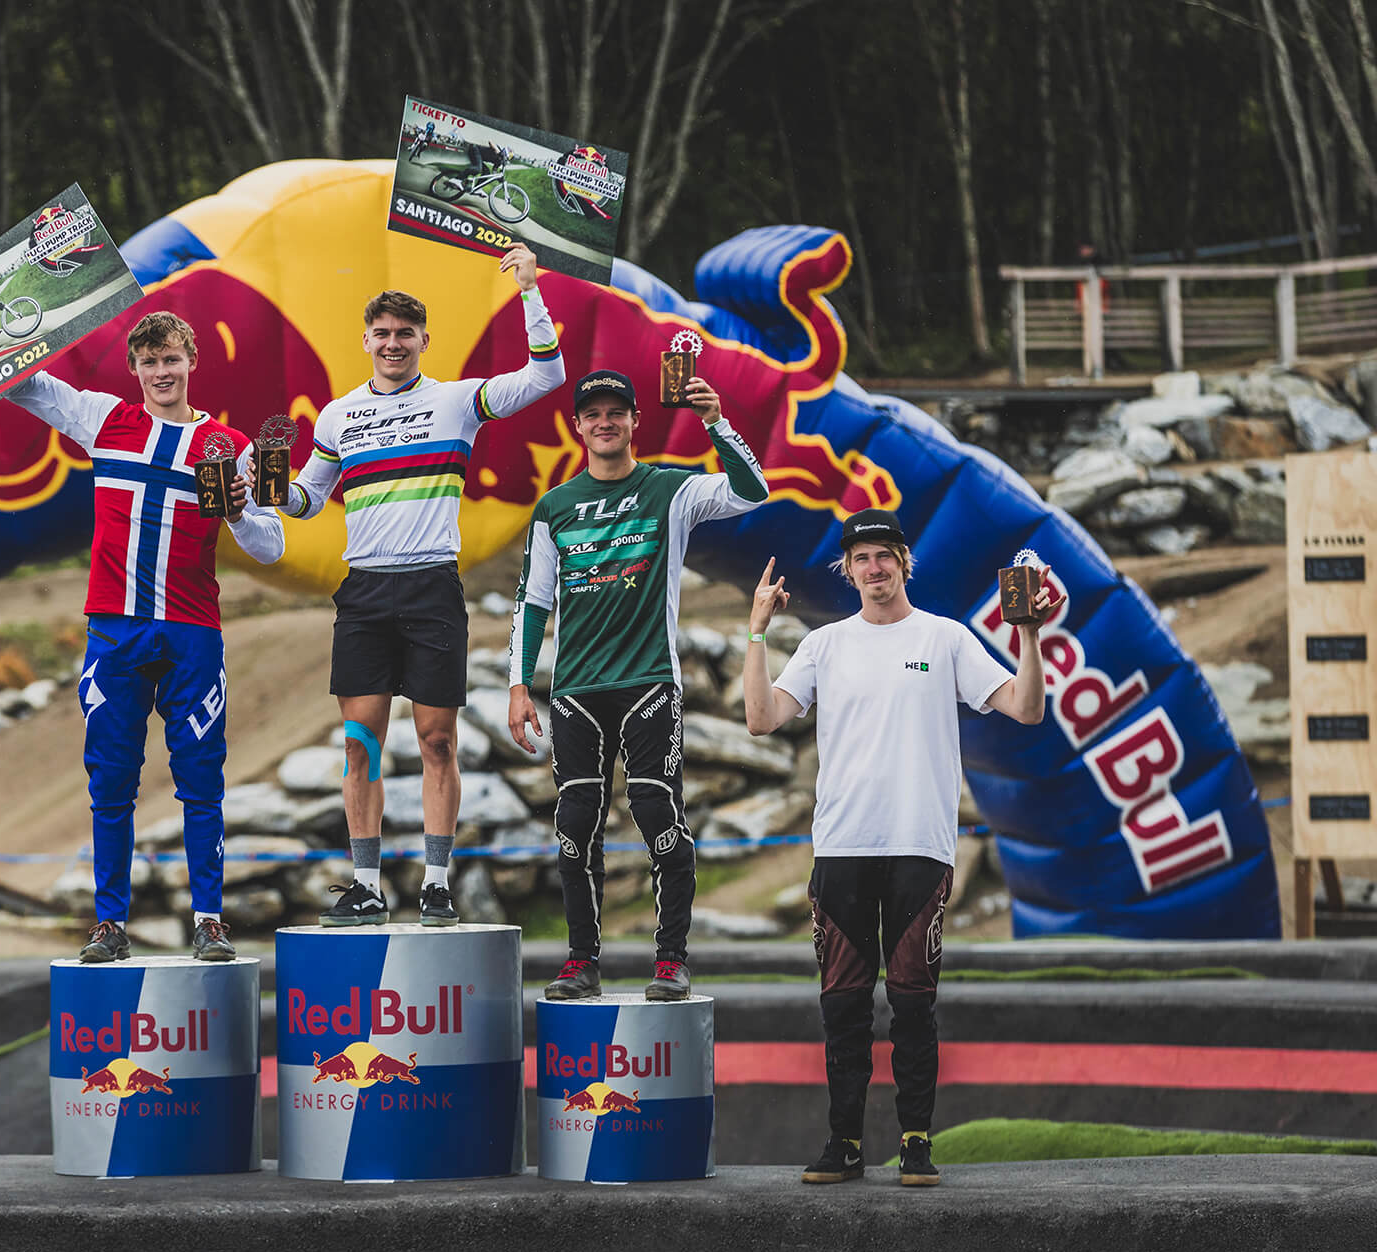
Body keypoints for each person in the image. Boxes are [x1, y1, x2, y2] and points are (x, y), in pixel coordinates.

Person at [0, 245, 286, 964]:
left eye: (172, 359)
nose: (162, 372)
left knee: (202, 779)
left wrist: (236, 511)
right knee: (112, 779)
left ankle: (209, 920)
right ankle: (109, 923)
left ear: (191, 360)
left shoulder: (226, 444)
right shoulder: (103, 420)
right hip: (115, 628)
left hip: (193, 630)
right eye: (149, 362)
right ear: (135, 370)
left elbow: (271, 547)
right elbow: (17, 381)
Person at [743, 510, 1052, 1187]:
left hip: (921, 845)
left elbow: (1026, 709)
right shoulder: (825, 643)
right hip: (843, 848)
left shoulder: (945, 638)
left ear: (904, 563)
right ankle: (844, 1144)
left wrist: (1028, 634)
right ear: (847, 570)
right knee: (843, 1007)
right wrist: (757, 631)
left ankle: (916, 1144)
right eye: (862, 558)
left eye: (886, 555)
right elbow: (762, 720)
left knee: (914, 1003)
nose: (875, 568)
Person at [263, 243, 564, 927]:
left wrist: (528, 290)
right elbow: (310, 500)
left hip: (431, 588)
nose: (393, 343)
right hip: (364, 591)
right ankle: (365, 885)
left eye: (405, 333)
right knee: (360, 744)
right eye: (383, 333)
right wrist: (273, 488)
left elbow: (547, 376)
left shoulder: (458, 401)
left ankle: (435, 880)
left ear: (423, 341)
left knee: (437, 741)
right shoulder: (339, 417)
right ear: (365, 340)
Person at [507, 369, 767, 1003]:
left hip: (649, 680)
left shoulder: (670, 490)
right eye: (592, 413)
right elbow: (533, 601)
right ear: (578, 425)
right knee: (575, 824)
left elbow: (751, 491)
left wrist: (714, 420)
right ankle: (581, 961)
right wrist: (519, 686)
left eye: (616, 413)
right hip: (575, 690)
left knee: (658, 816)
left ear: (634, 422)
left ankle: (671, 959)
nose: (605, 422)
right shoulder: (555, 506)